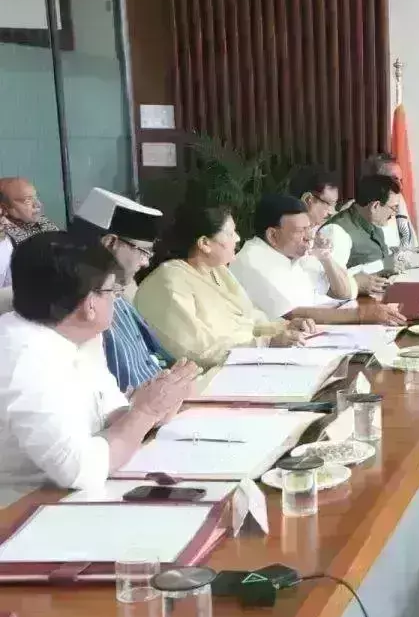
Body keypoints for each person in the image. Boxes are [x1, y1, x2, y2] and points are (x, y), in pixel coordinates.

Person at [0, 232, 198, 489]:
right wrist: (145, 412)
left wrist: (156, 405)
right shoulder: (21, 357)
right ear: (90, 305)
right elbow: (79, 470)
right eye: (112, 290)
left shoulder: (81, 334)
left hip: (77, 493)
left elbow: (110, 416)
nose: (116, 298)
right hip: (24, 504)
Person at [134, 203, 312, 367]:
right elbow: (198, 351)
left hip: (246, 360)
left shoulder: (218, 270)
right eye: (230, 233)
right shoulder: (169, 281)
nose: (237, 238)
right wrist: (266, 343)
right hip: (207, 377)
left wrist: (284, 328)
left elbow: (248, 319)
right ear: (204, 244)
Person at [230, 194, 405, 325]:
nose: (309, 237)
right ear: (273, 235)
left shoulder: (294, 252)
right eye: (300, 231)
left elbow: (343, 292)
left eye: (309, 228)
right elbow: (292, 314)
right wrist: (363, 315)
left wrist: (326, 257)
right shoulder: (251, 261)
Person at [71, 187, 174, 392]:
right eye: (143, 252)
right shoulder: (81, 306)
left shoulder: (119, 292)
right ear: (110, 242)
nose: (145, 263)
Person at [360, 153, 419, 267]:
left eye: (401, 180)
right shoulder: (368, 214)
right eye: (394, 180)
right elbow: (383, 261)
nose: (400, 186)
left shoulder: (398, 201)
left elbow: (401, 250)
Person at [287, 167, 358, 300]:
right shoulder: (286, 239)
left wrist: (325, 257)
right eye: (328, 204)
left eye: (335, 205)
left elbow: (344, 293)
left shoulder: (321, 237)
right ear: (308, 199)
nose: (332, 212)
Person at [320, 174, 406, 272]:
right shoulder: (336, 231)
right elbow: (332, 277)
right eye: (394, 208)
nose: (394, 213)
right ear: (375, 206)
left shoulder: (373, 223)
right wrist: (383, 265)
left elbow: (388, 262)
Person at [0, 177, 58, 244]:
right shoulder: (3, 237)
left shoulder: (41, 220)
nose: (38, 204)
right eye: (27, 200)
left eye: (36, 197)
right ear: (4, 207)